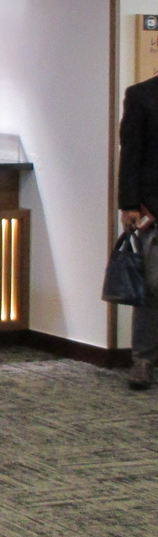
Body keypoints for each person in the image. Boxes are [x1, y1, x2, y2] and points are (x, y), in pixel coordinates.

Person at [118, 72, 158, 391]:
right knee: (153, 285)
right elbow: (131, 152)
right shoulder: (142, 95)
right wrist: (129, 205)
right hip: (153, 208)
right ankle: (143, 360)